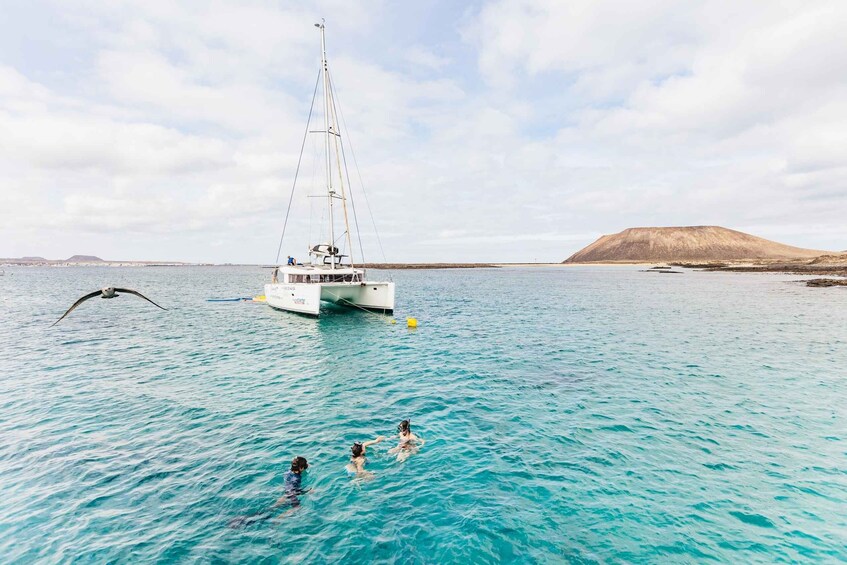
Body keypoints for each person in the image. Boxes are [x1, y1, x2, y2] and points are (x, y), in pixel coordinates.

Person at [228, 456, 310, 528]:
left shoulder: (288, 472)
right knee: (297, 508)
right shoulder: (297, 477)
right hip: (292, 492)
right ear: (301, 468)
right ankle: (278, 519)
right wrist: (307, 491)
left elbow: (289, 484)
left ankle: (253, 517)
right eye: (305, 466)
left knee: (272, 508)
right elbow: (295, 489)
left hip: (286, 492)